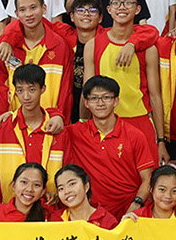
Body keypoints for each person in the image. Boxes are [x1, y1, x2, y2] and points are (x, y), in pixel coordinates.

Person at [63, 75, 158, 217]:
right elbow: (45, 122)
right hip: (92, 214)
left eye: (106, 97)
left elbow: (147, 179)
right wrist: (56, 115)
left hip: (129, 213)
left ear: (116, 101)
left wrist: (135, 205)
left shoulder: (135, 135)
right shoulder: (74, 133)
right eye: (94, 98)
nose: (100, 103)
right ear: (86, 103)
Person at [84, 0, 166, 149]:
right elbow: (87, 92)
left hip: (140, 121)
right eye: (116, 3)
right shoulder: (93, 45)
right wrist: (84, 124)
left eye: (128, 3)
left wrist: (161, 140)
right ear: (109, 9)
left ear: (137, 9)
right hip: (104, 123)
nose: (122, 7)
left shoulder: (148, 48)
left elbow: (155, 95)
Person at [0, 63, 66, 202]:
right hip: (10, 213)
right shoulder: (3, 127)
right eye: (20, 90)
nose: (26, 96)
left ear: (43, 89)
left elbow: (67, 171)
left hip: (50, 213)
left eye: (32, 89)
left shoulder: (57, 129)